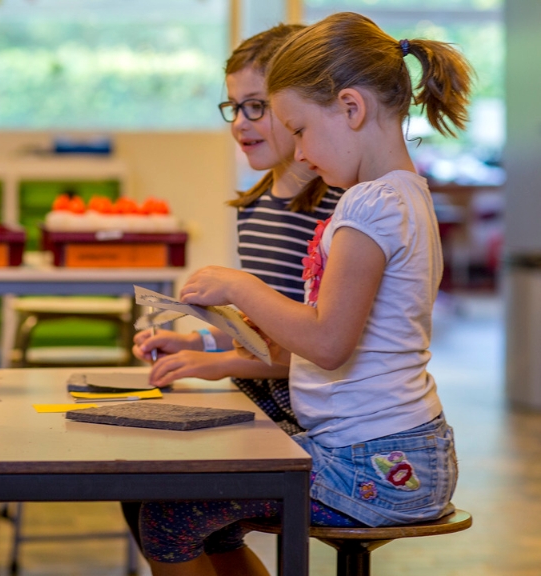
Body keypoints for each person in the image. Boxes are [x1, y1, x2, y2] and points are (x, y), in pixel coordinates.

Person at [139, 12, 471, 575]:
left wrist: (240, 287)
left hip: (370, 465)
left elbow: (327, 341)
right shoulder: (405, 197)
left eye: (298, 130)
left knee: (169, 514)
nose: (299, 151)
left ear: (350, 108)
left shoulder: (369, 206)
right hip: (397, 456)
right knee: (197, 494)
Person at [133, 23, 343, 436]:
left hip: (308, 424)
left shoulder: (339, 212)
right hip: (257, 409)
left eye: (256, 106)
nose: (240, 123)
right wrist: (197, 344)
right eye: (234, 107)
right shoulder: (252, 208)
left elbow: (319, 347)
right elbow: (260, 330)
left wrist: (219, 364)